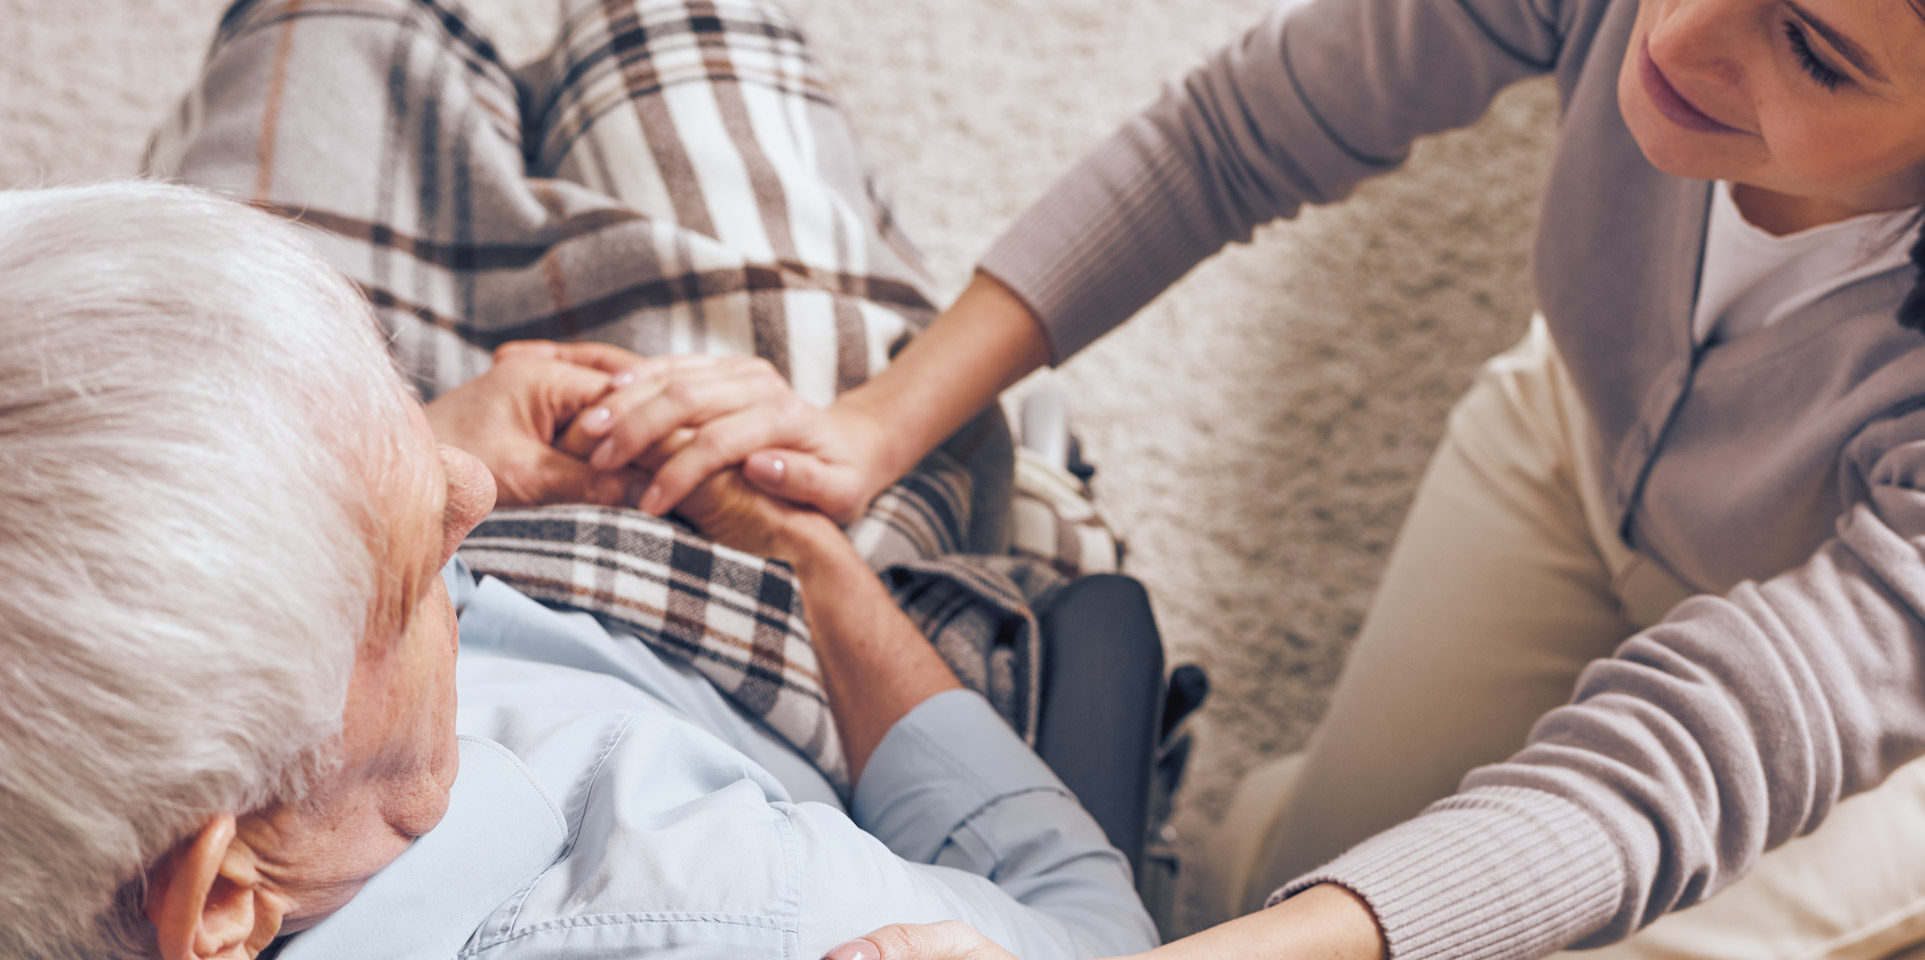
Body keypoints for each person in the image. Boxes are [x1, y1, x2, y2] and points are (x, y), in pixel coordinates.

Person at [564, 0, 1925, 957]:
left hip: (1875, 682)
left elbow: (1681, 768)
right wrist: (875, 423)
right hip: (1572, 436)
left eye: (1811, 47)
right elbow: (1236, 133)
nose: (1675, 35)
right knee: (1285, 883)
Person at [0, 180, 1157, 960]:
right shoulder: (736, 909)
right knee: (687, 54)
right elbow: (1092, 923)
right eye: (400, 589)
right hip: (762, 639)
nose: (474, 488)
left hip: (511, 555)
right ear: (226, 898)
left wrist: (364, 459)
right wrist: (808, 559)